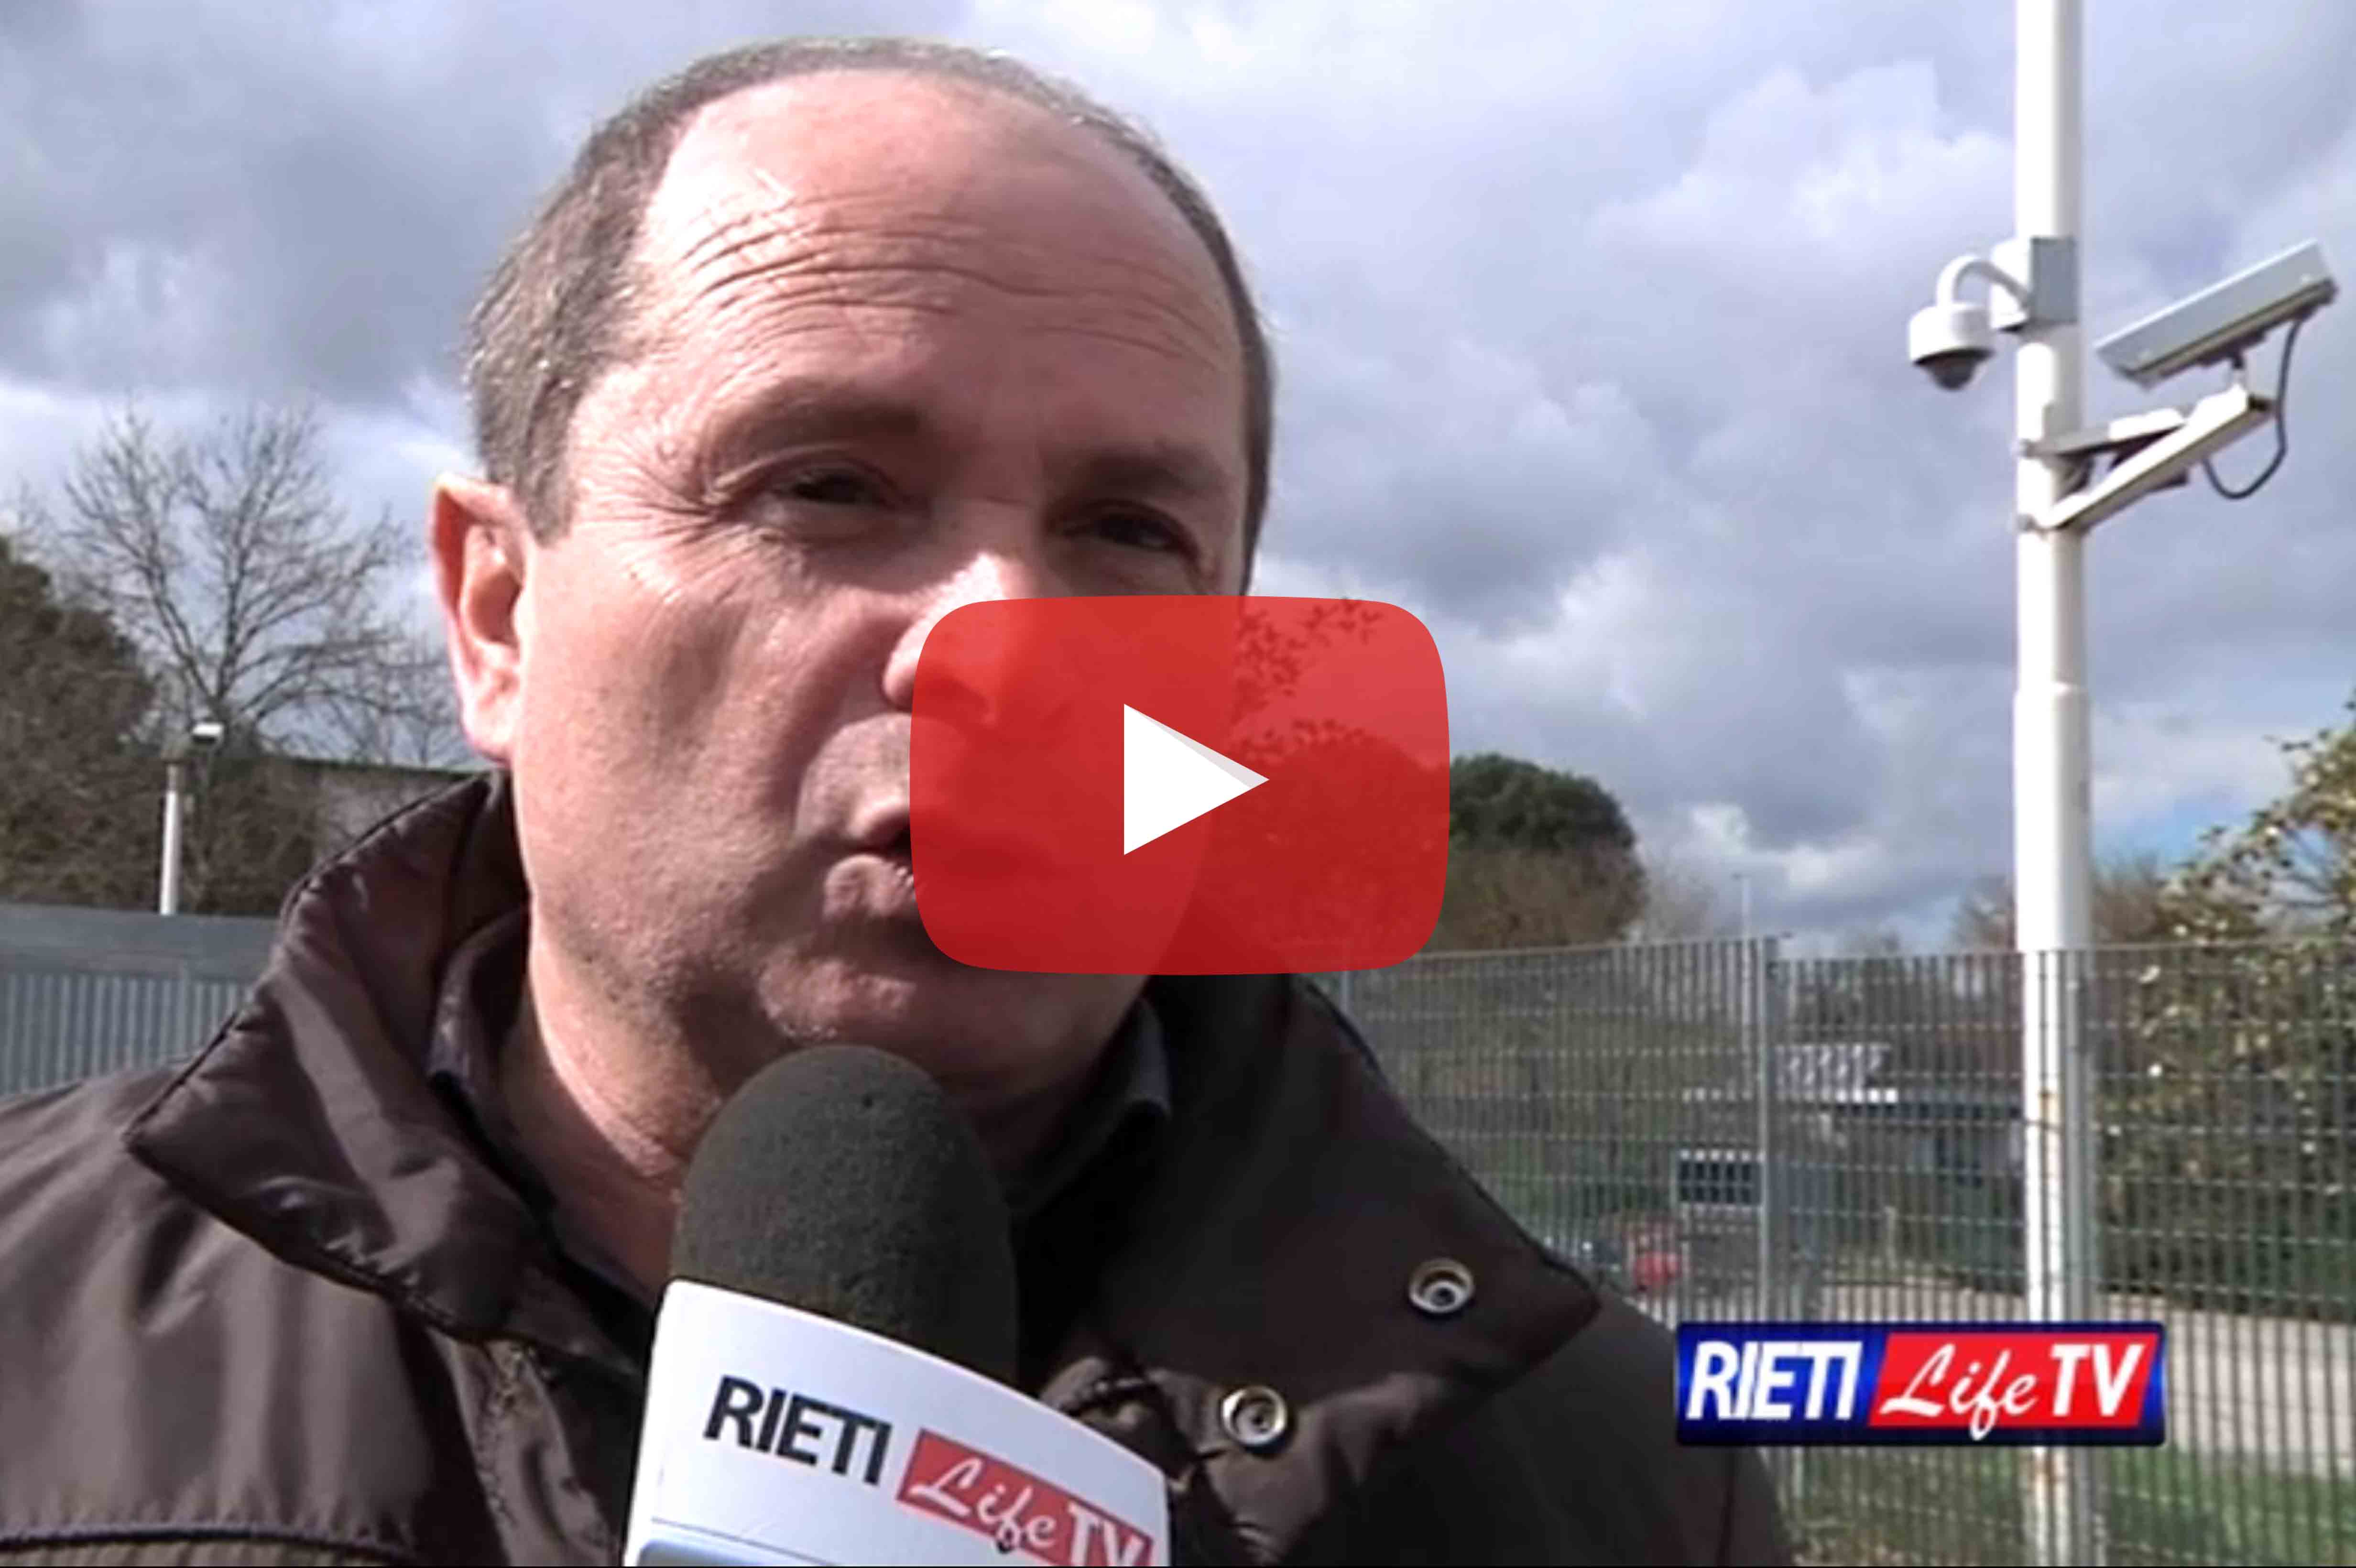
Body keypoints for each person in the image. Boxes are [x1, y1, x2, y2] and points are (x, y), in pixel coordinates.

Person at [0, 37, 1788, 1567]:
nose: (1002, 642)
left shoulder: (1605, 1474)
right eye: (830, 487)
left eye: (1127, 532)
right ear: (498, 614)